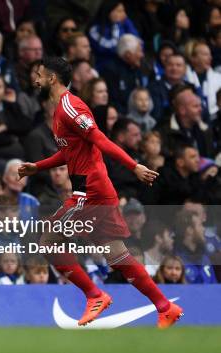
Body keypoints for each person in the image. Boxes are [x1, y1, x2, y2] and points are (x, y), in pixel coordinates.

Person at [19, 57, 182, 328]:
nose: (34, 80)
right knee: (116, 254)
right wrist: (38, 166)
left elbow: (100, 139)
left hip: (89, 190)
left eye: (38, 75)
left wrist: (134, 166)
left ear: (52, 78)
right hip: (98, 188)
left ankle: (95, 294)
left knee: (47, 240)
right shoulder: (60, 110)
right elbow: (70, 151)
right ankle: (165, 307)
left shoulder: (70, 107)